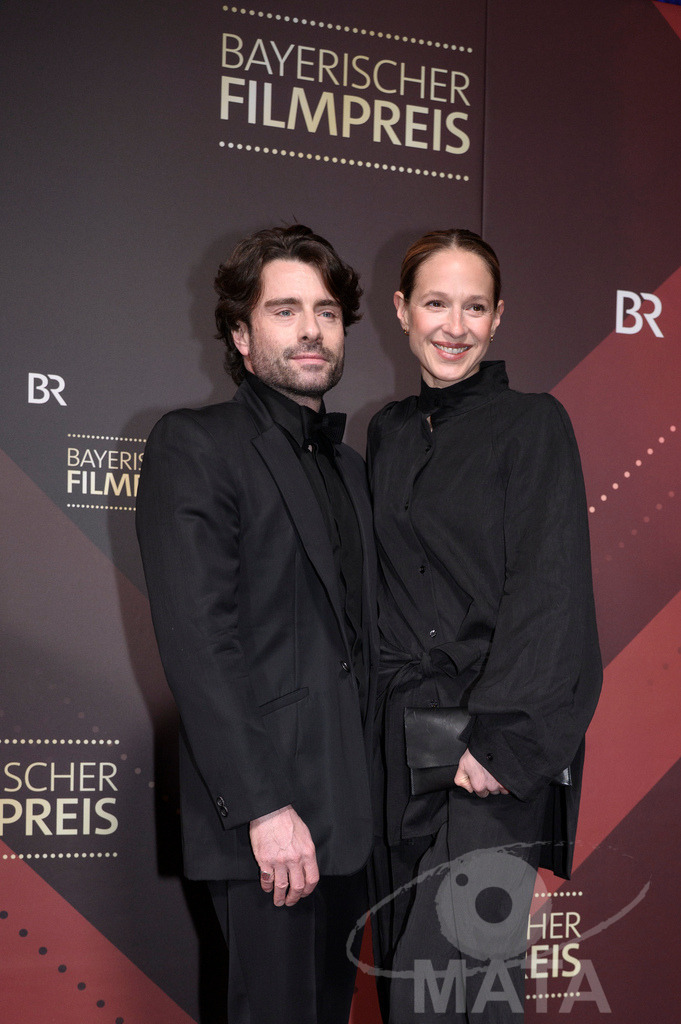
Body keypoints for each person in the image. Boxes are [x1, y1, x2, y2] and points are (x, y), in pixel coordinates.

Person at [136, 224, 377, 1024]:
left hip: (352, 820)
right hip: (266, 823)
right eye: (283, 311)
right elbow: (200, 645)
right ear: (241, 337)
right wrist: (265, 809)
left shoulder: (352, 466)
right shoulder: (195, 445)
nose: (310, 329)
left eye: (326, 312)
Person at [367, 229, 602, 1022]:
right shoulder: (390, 433)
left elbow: (552, 592)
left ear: (498, 318)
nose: (454, 326)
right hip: (402, 755)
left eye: (474, 307)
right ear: (401, 311)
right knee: (409, 986)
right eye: (436, 303)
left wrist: (499, 748)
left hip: (490, 763)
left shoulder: (534, 425)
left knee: (450, 999)